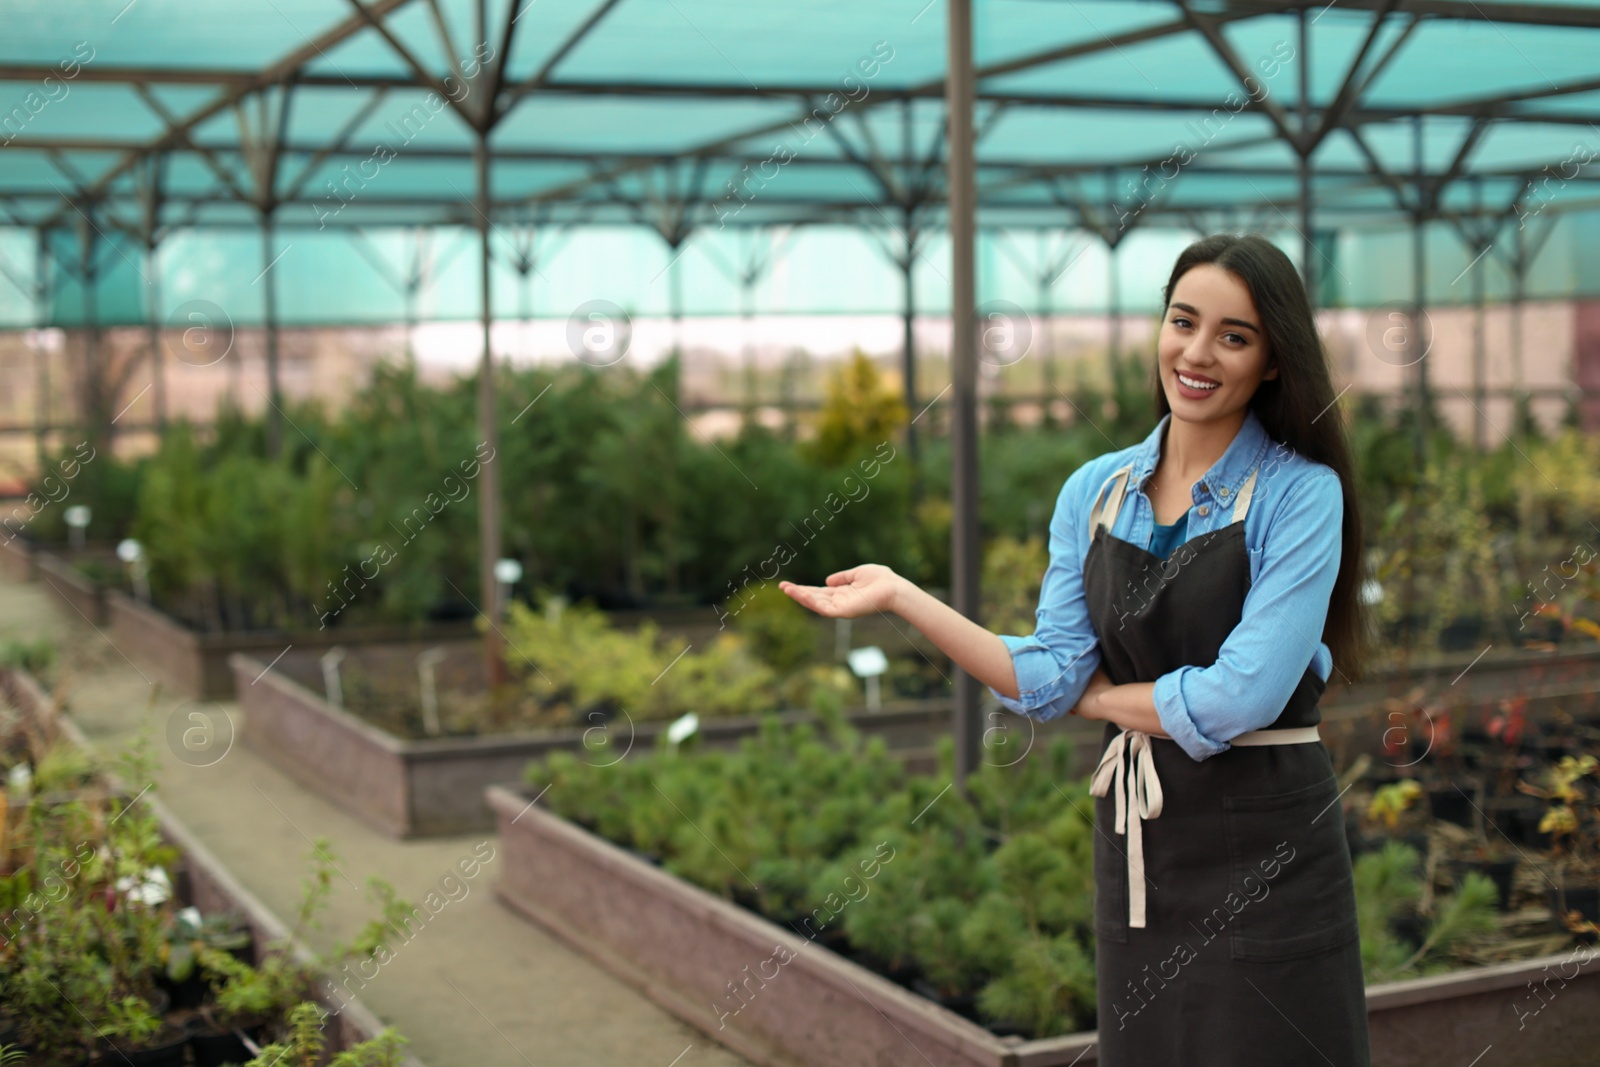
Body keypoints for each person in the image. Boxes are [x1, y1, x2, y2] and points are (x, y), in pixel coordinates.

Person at [779, 232, 1375, 1066]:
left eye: (1234, 336)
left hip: (1265, 847)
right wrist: (903, 597)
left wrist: (1095, 700)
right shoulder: (1096, 491)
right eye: (1183, 321)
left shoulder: (1300, 493)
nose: (1197, 353)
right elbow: (1045, 671)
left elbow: (1241, 696)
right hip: (1143, 850)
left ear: (1274, 360)